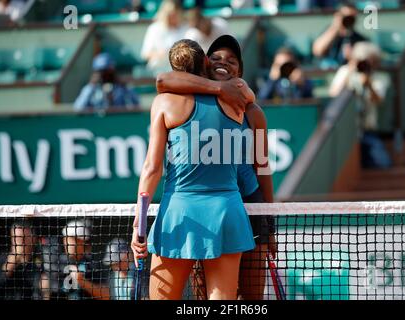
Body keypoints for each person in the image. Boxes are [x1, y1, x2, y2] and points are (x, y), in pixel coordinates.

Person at [131, 38, 256, 300]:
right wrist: (222, 87)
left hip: (178, 212)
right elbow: (249, 96)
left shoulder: (164, 103)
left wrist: (138, 225)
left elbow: (152, 168)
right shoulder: (238, 98)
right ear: (206, 62)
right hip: (227, 212)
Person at [155, 35, 276, 300]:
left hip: (249, 204)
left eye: (232, 61)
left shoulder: (252, 111)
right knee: (204, 295)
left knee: (252, 296)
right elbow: (163, 80)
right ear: (206, 64)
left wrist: (270, 220)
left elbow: (263, 167)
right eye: (217, 59)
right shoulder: (190, 99)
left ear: (240, 71)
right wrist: (217, 89)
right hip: (212, 211)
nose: (224, 63)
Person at [329, 41, 392, 169]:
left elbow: (378, 101)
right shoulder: (345, 71)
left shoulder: (380, 77)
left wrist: (368, 84)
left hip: (368, 131)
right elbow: (334, 94)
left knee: (383, 163)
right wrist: (351, 69)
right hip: (347, 131)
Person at [40, 220, 109, 300]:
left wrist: (82, 281)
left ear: (84, 242)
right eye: (69, 239)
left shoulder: (92, 264)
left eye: (76, 240)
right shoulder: (54, 261)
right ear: (64, 240)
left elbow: (106, 295)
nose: (72, 244)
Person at [74, 53, 140, 111]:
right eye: (101, 71)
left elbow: (137, 106)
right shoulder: (91, 88)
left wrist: (125, 87)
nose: (105, 75)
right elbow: (78, 108)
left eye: (107, 71)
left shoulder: (122, 87)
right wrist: (91, 86)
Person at [312, 2, 367, 69]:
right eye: (346, 17)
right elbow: (318, 51)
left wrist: (353, 57)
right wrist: (336, 27)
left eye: (352, 18)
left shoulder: (359, 39)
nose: (348, 20)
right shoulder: (329, 32)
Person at [140, 0, 189, 75]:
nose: (174, 18)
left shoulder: (186, 27)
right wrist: (160, 54)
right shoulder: (154, 28)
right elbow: (145, 54)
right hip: (159, 70)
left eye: (176, 14)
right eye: (171, 15)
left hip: (182, 70)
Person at [0, 220, 42, 300]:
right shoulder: (1, 258)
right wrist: (7, 270)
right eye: (16, 238)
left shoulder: (42, 259)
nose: (20, 241)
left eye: (24, 237)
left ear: (33, 239)